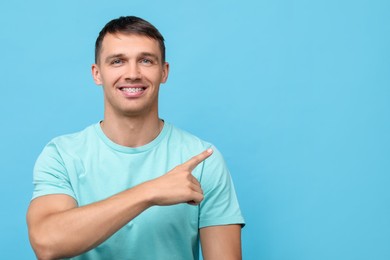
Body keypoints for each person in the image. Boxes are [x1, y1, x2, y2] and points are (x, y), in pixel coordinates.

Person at [27, 16, 245, 260]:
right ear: (97, 74)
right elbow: (47, 243)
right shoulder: (62, 155)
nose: (132, 73)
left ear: (164, 72)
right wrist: (150, 192)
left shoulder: (202, 160)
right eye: (118, 61)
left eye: (145, 60)